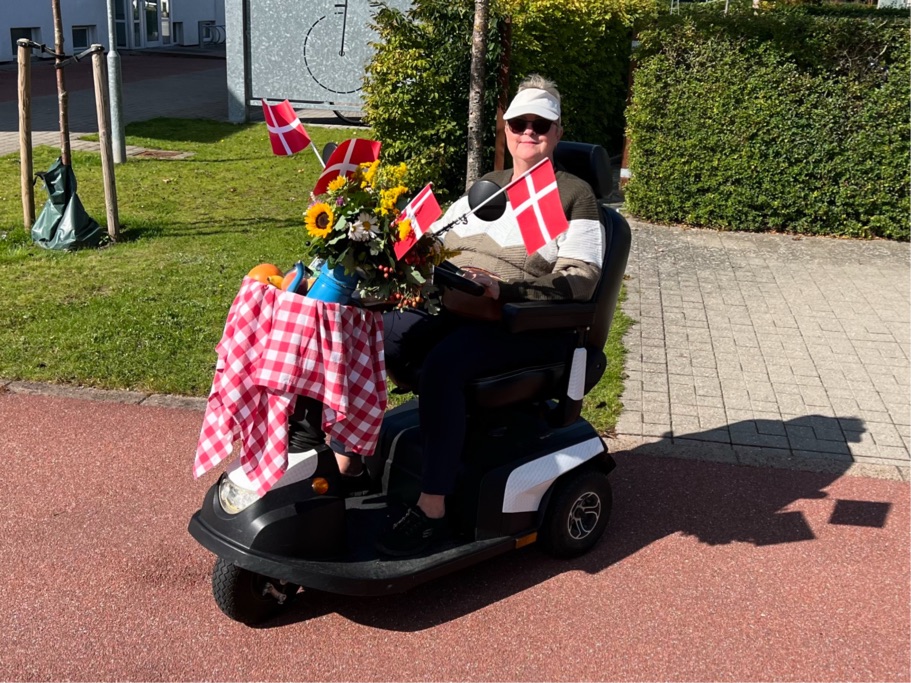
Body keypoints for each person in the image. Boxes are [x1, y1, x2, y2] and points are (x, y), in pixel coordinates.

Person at [337, 75, 605, 556]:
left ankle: (432, 509)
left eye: (540, 123)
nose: (529, 131)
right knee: (365, 333)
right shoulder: (490, 186)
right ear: (505, 130)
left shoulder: (573, 194)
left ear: (558, 130)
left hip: (521, 321)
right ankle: (349, 464)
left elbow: (581, 279)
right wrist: (389, 247)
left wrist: (506, 287)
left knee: (444, 368)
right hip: (456, 302)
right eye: (519, 122)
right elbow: (435, 238)